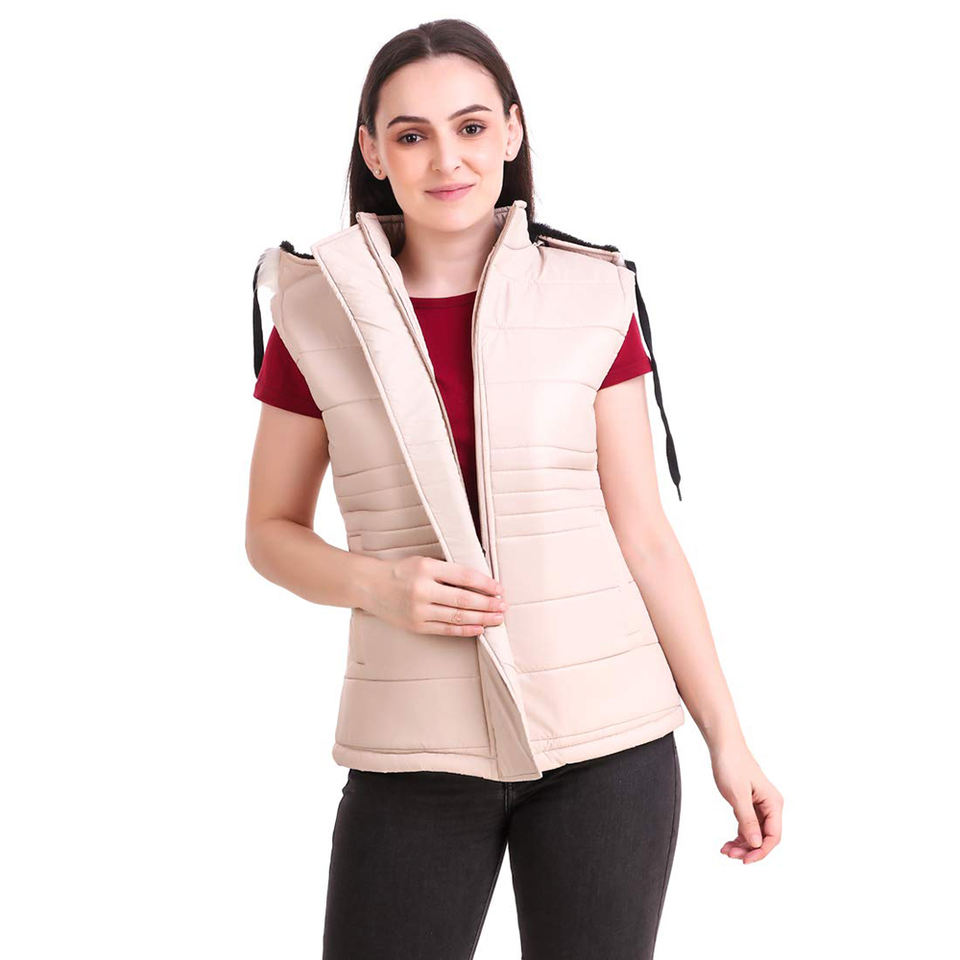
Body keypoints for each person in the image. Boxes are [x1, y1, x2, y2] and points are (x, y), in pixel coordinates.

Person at [245, 18, 783, 960]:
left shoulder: (594, 295)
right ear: (372, 150)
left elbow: (646, 537)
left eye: (471, 127)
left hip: (610, 752)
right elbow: (269, 531)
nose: (446, 159)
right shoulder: (314, 312)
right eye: (411, 134)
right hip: (411, 751)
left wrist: (727, 740)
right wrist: (380, 584)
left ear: (512, 130)